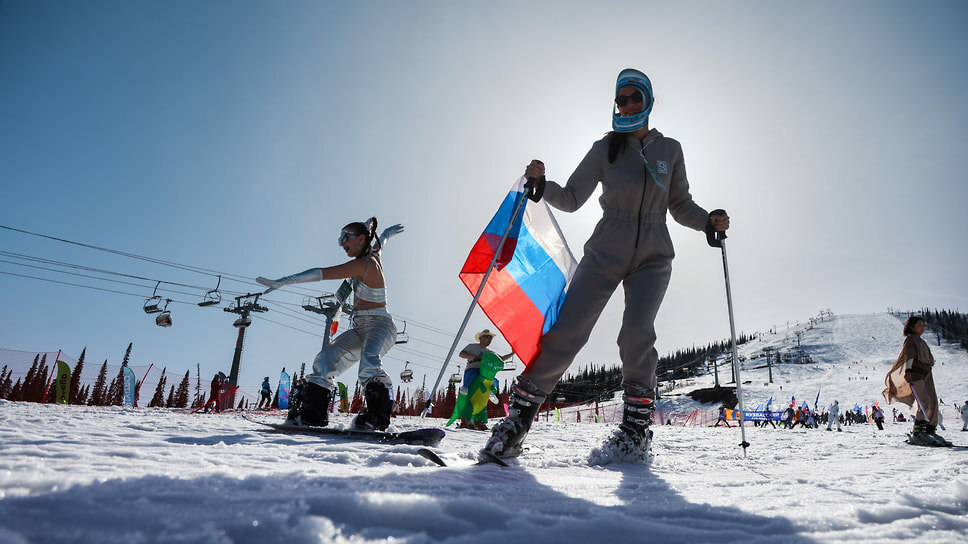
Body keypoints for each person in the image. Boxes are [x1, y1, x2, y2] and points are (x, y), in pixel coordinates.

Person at [481, 68, 730, 462]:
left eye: (633, 97)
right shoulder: (605, 148)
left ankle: (635, 430)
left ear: (648, 99)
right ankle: (519, 420)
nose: (627, 104)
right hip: (606, 245)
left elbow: (680, 204)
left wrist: (706, 222)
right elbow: (573, 196)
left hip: (653, 252)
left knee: (636, 333)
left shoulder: (671, 150)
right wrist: (542, 186)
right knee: (569, 329)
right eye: (621, 100)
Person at [256, 218, 403, 430]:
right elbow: (381, 243)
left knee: (369, 362)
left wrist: (284, 281)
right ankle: (313, 415)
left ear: (362, 239)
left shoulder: (364, 264)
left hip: (381, 325)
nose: (341, 243)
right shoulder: (370, 255)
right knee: (325, 359)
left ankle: (377, 418)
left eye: (346, 237)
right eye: (339, 237)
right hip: (360, 328)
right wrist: (386, 233)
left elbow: (322, 273)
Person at [883, 315, 951, 446]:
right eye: (919, 325)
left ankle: (930, 429)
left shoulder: (922, 341)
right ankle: (918, 432)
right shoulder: (911, 339)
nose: (922, 328)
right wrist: (908, 371)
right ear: (911, 327)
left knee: (933, 402)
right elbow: (909, 356)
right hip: (916, 373)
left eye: (923, 325)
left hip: (926, 373)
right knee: (924, 402)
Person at [456, 329, 512, 429]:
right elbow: (461, 354)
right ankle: (465, 389)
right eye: (487, 337)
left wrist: (512, 354)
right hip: (473, 369)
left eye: (491, 338)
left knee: (494, 381)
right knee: (472, 377)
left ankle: (490, 394)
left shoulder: (490, 352)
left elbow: (501, 359)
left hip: (484, 372)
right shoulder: (472, 346)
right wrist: (473, 357)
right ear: (481, 338)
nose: (489, 339)